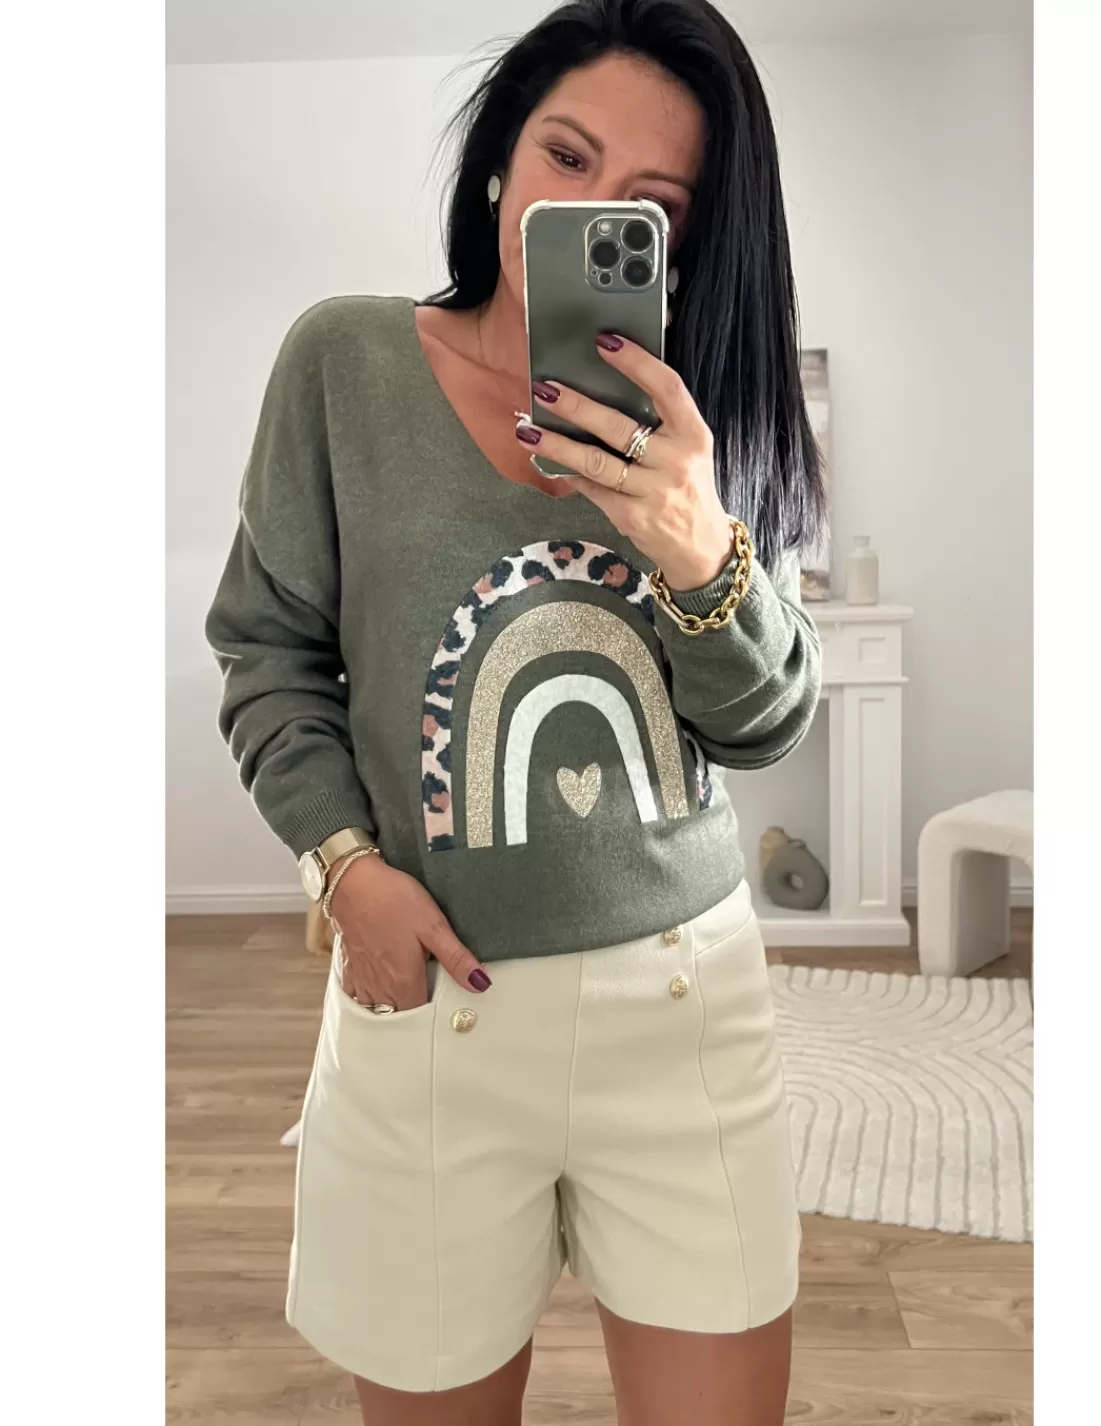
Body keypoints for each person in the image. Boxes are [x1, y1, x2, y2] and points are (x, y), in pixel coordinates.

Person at [205, 2, 825, 1422]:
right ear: (500, 159)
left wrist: (694, 543)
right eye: (566, 154)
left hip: (684, 1004)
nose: (585, 208)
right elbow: (267, 649)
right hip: (434, 1002)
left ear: (687, 241)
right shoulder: (345, 365)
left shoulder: (702, 420)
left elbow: (766, 722)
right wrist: (344, 868)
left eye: (651, 202)